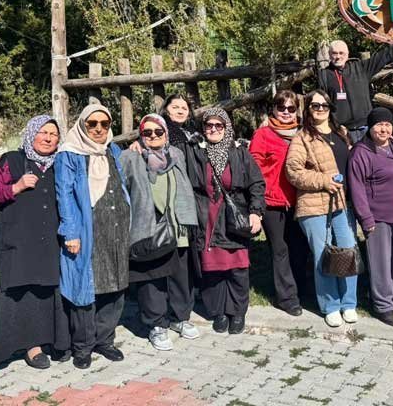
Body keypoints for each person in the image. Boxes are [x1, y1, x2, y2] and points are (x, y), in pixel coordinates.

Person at [0, 115, 69, 369]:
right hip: (18, 241)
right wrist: (15, 188)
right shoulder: (12, 160)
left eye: (53, 134)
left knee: (46, 291)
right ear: (31, 133)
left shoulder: (60, 165)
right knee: (22, 292)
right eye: (43, 132)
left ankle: (53, 340)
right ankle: (31, 347)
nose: (48, 138)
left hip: (48, 242)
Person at [55, 104, 130, 369]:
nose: (99, 129)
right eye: (92, 124)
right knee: (86, 289)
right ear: (82, 125)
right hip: (87, 230)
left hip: (117, 228)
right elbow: (63, 194)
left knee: (115, 284)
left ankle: (105, 340)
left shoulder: (113, 149)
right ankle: (83, 346)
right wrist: (71, 232)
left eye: (105, 124)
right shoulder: (70, 154)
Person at [120, 114, 199, 351]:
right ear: (140, 135)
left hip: (178, 224)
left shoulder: (176, 154)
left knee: (180, 275)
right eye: (147, 133)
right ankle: (156, 324)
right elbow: (123, 190)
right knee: (151, 277)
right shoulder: (130, 157)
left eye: (158, 132)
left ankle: (179, 317)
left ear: (165, 133)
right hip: (148, 226)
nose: (153, 136)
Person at [186, 108, 264, 335]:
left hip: (233, 216)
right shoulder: (195, 150)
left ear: (226, 127)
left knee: (237, 267)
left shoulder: (239, 152)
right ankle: (218, 311)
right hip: (206, 215)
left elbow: (256, 183)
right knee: (211, 269)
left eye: (218, 125)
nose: (213, 129)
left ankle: (237, 311)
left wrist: (255, 212)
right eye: (209, 125)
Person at [286, 90, 359, 327]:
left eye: (324, 105)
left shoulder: (342, 133)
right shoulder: (302, 137)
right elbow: (293, 171)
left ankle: (349, 303)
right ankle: (331, 305)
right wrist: (323, 180)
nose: (320, 109)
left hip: (341, 202)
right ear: (307, 109)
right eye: (315, 105)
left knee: (348, 250)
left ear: (330, 107)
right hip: (314, 205)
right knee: (323, 255)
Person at [348, 107, 393, 327]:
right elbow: (356, 188)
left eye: (387, 125)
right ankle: (382, 305)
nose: (383, 129)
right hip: (377, 217)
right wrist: (366, 219)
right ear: (370, 127)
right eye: (379, 125)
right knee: (380, 262)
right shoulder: (361, 152)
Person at [249, 90, 309, 317]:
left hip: (300, 200)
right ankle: (286, 297)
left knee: (300, 247)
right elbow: (254, 167)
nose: (285, 112)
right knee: (280, 249)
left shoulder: (303, 133)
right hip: (273, 201)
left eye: (291, 108)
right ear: (273, 109)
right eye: (281, 108)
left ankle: (301, 289)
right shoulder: (263, 135)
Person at [319, 39, 393, 143]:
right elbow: (323, 105)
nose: (338, 57)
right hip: (342, 131)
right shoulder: (324, 75)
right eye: (334, 53)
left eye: (341, 53)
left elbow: (381, 57)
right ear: (329, 54)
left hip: (366, 128)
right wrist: (333, 127)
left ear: (347, 54)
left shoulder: (360, 68)